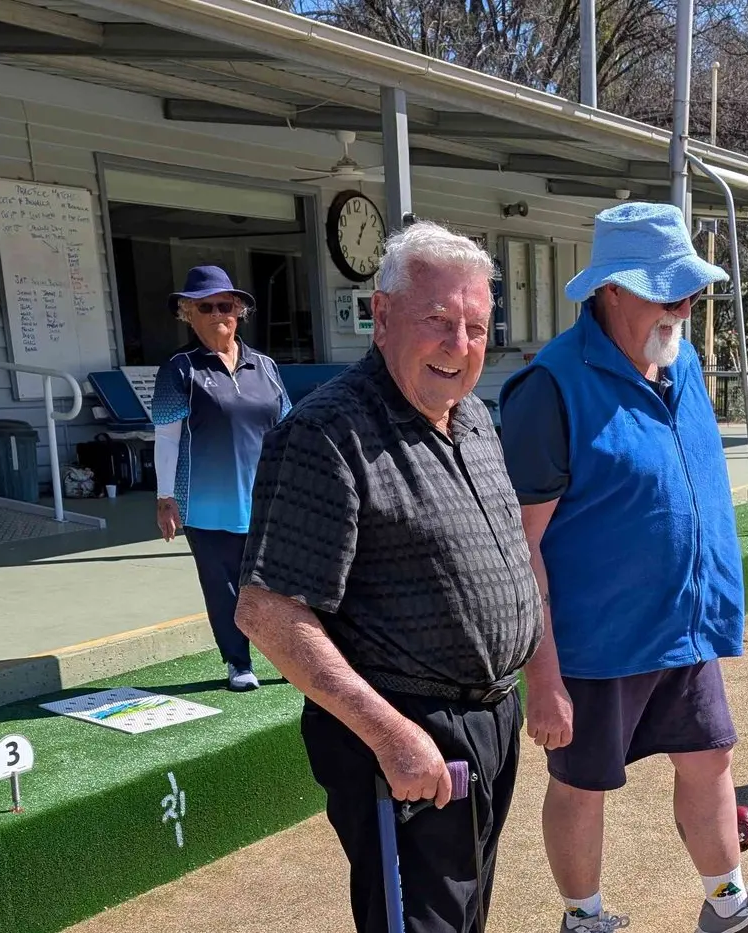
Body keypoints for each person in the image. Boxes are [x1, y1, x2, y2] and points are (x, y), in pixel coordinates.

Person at [498, 202, 748, 933]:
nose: (684, 303)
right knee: (582, 784)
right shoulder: (549, 390)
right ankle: (584, 920)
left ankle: (727, 905)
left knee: (711, 757)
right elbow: (521, 550)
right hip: (597, 639)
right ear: (611, 288)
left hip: (685, 623)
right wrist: (542, 677)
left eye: (689, 288)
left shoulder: (685, 361)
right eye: (666, 288)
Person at [234, 221, 542, 933]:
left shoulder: (475, 419)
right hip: (404, 732)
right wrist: (390, 734)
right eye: (437, 321)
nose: (458, 345)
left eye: (474, 325)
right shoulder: (327, 434)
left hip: (490, 720)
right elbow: (268, 613)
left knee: (464, 916)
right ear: (381, 316)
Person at [153, 265, 289, 693]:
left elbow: (286, 429)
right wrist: (164, 497)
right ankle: (238, 662)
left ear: (240, 311)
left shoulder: (264, 366)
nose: (217, 315)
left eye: (225, 305)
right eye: (204, 307)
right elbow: (167, 439)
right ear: (187, 316)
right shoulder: (180, 370)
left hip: (268, 501)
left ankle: (290, 657)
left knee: (280, 586)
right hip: (205, 503)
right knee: (224, 587)